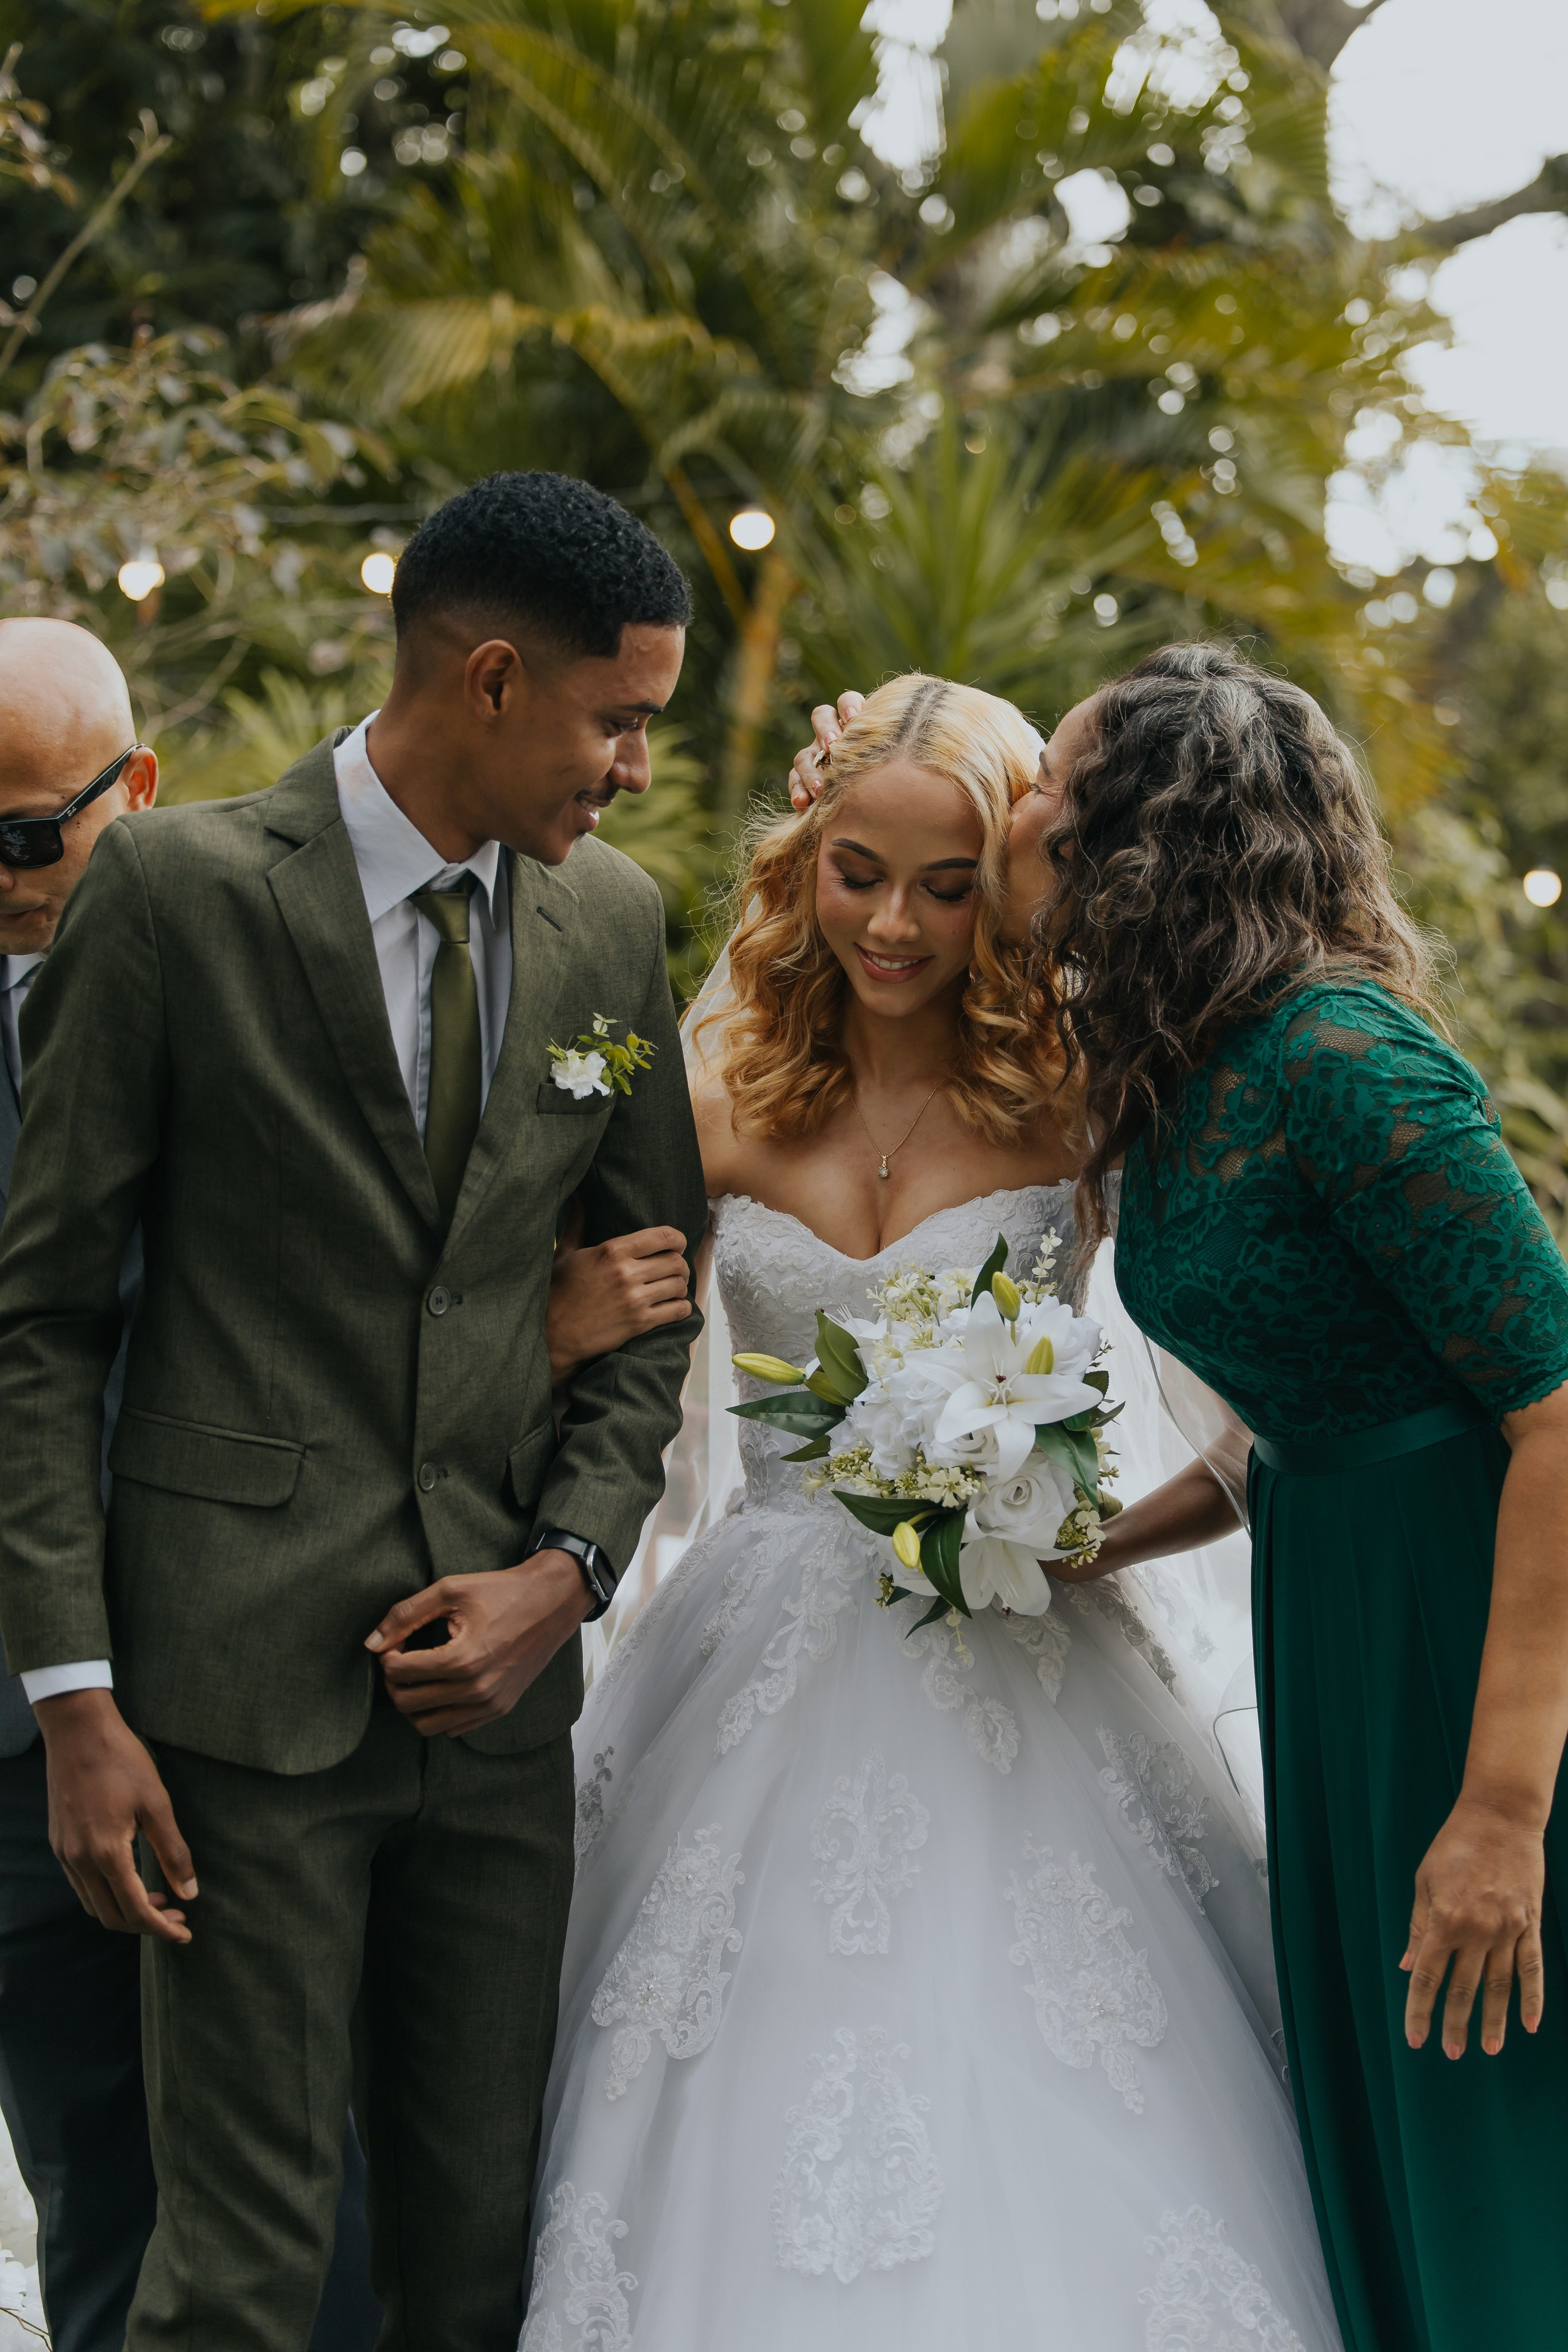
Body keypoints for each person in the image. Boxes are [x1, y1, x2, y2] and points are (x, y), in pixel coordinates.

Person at [520, 674, 1342, 2351]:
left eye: (947, 884)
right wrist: (563, 1340)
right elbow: (619, 1398)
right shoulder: (707, 1088)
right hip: (748, 1655)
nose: (892, 924)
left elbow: (1265, 1411)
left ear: (1018, 884)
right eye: (856, 872)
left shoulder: (1091, 1096)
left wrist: (1082, 1530)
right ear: (803, 866)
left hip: (1032, 1651)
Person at [0, 473, 707, 2351]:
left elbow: (654, 1302)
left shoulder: (612, 926)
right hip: (229, 1705)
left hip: (496, 1721)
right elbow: (47, 1322)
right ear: (490, 678)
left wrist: (562, 1570)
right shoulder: (167, 895)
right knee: (232, 2279)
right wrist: (75, 1698)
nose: (637, 769)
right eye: (618, 718)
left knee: (475, 2266)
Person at [802, 644, 1568, 2352]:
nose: (1024, 820)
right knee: (1388, 2088)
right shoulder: (1179, 1072)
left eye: (1050, 799)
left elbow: (1556, 1416)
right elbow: (1308, 1401)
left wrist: (1505, 1808)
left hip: (1475, 1631)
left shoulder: (1346, 1063)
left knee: (1495, 2106)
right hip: (1332, 1611)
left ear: (1136, 852)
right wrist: (1110, 1537)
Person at [0, 618, 383, 2351]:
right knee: (95, 2187)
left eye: (24, 838)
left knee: (320, 2187)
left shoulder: (276, 958)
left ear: (136, 789)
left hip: (272, 1685)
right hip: (24, 1737)